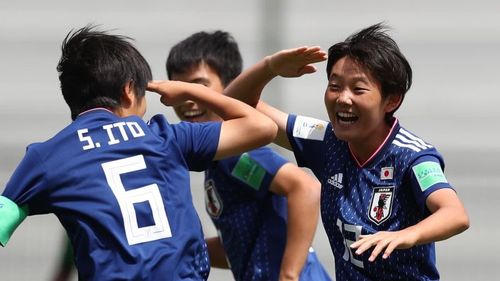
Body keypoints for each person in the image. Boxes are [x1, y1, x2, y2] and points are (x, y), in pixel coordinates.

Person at [0, 25, 278, 281]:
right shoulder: (163, 136)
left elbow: (4, 219)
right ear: (129, 90)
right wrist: (193, 90)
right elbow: (262, 127)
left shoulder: (48, 156)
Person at [224, 23, 470, 280]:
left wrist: (406, 235)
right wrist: (269, 68)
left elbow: (455, 214)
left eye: (358, 89)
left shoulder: (412, 156)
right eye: (335, 86)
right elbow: (233, 106)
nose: (343, 98)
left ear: (392, 100)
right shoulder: (325, 140)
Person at [166, 30, 332, 281]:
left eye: (199, 86)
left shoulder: (236, 155)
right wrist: (173, 249)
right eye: (181, 89)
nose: (189, 99)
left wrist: (289, 274)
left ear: (230, 85)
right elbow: (235, 248)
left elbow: (304, 188)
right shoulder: (214, 157)